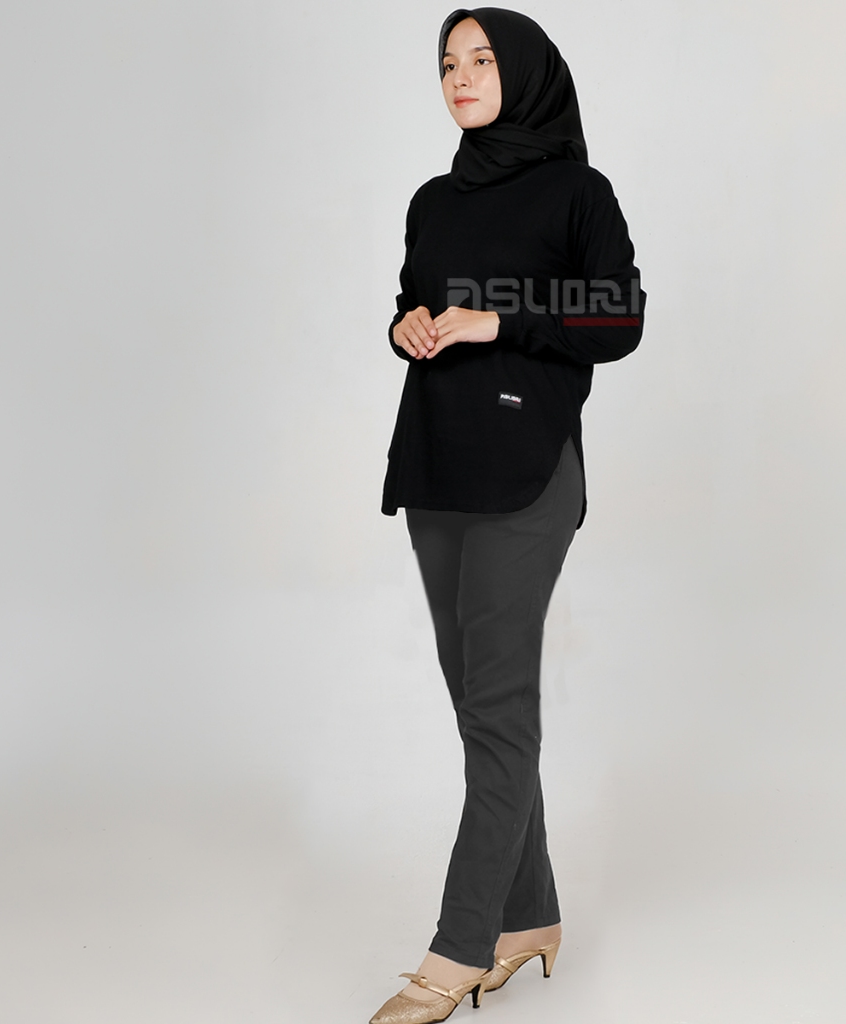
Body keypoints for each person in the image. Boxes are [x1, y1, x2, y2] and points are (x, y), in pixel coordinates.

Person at [370, 8, 645, 1023]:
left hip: (527, 471)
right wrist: (406, 325)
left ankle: (457, 946)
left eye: (481, 59)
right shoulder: (432, 199)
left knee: (497, 713)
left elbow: (618, 315)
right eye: (448, 62)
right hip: (436, 464)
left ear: (524, 71)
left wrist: (502, 319)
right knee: (480, 712)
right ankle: (529, 916)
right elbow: (413, 300)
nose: (460, 75)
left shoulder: (578, 193)